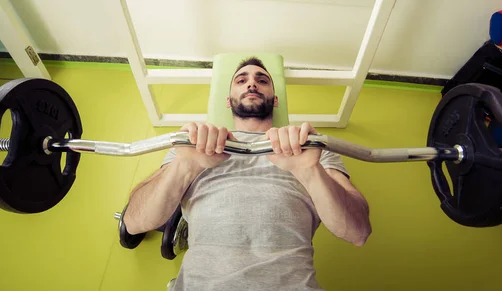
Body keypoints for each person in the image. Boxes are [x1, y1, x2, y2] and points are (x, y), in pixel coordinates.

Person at [123, 57, 371, 290]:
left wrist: (309, 172)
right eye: (241, 80)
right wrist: (185, 166)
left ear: (274, 99)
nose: (252, 83)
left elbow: (358, 232)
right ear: (228, 100)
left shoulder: (311, 148)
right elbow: (135, 222)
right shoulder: (192, 146)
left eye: (262, 80)